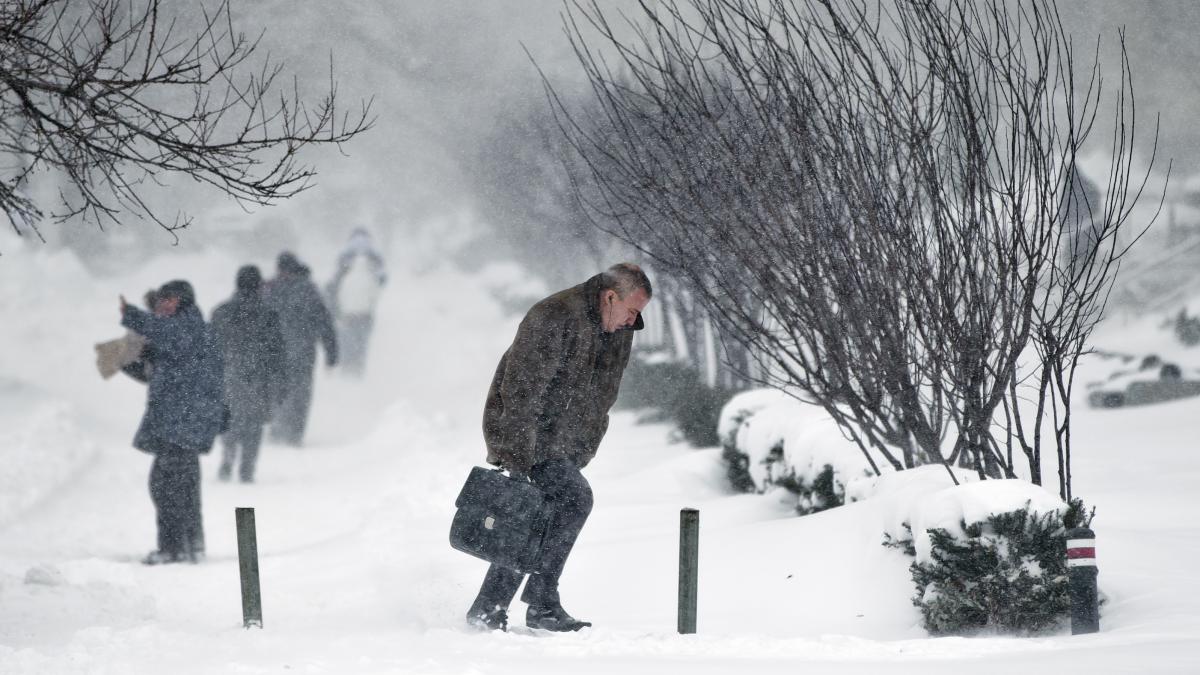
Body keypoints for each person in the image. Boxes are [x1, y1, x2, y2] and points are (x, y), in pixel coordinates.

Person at [465, 263, 652, 632]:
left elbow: (603, 394)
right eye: (632, 311)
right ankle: (540, 602)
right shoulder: (553, 315)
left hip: (566, 439)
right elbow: (520, 390)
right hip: (526, 432)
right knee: (572, 499)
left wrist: (584, 447)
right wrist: (518, 459)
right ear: (610, 296)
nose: (633, 321)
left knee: (537, 515)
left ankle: (491, 608)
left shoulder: (619, 330)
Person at [119, 280, 224, 565]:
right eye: (161, 299)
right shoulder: (186, 331)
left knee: (166, 486)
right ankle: (192, 542)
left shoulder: (186, 326)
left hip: (183, 421)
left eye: (169, 299)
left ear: (184, 301)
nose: (163, 305)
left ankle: (173, 547)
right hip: (182, 420)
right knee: (183, 485)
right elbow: (162, 367)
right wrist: (132, 359)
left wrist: (131, 314)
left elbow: (162, 332)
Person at [211, 265, 286, 482]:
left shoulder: (221, 312)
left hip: (228, 375)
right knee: (253, 424)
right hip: (258, 378)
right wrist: (280, 381)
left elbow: (210, 348)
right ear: (259, 286)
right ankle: (247, 467)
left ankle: (228, 455)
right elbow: (277, 352)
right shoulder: (268, 314)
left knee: (230, 419)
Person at [264, 251, 338, 446]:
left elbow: (324, 323)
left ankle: (291, 434)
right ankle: (284, 431)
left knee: (291, 393)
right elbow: (325, 323)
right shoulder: (308, 290)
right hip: (292, 353)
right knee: (292, 393)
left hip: (290, 353)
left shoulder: (271, 289)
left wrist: (331, 355)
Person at [328, 228, 387, 376]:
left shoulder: (345, 257)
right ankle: (358, 370)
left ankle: (347, 369)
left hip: (347, 311)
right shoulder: (373, 257)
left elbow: (334, 287)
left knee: (347, 341)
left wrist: (336, 308)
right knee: (362, 342)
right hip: (366, 312)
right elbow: (381, 282)